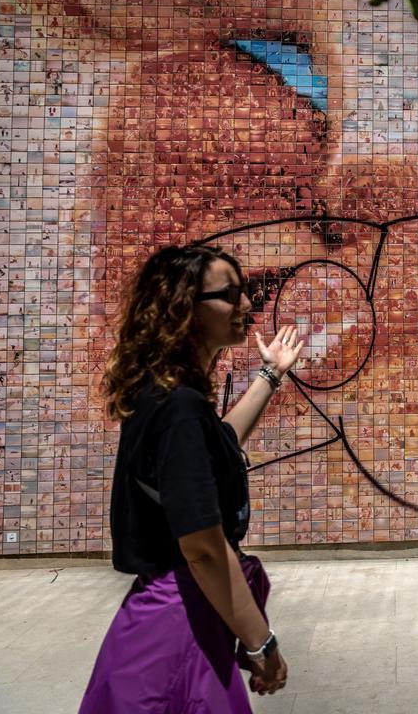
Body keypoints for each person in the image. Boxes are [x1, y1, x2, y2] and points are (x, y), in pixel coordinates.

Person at [80, 244, 305, 712]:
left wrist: (270, 374)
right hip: (179, 625)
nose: (247, 304)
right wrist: (262, 645)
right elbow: (203, 548)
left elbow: (219, 442)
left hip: (165, 619)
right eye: (231, 293)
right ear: (185, 309)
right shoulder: (179, 408)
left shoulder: (166, 397)